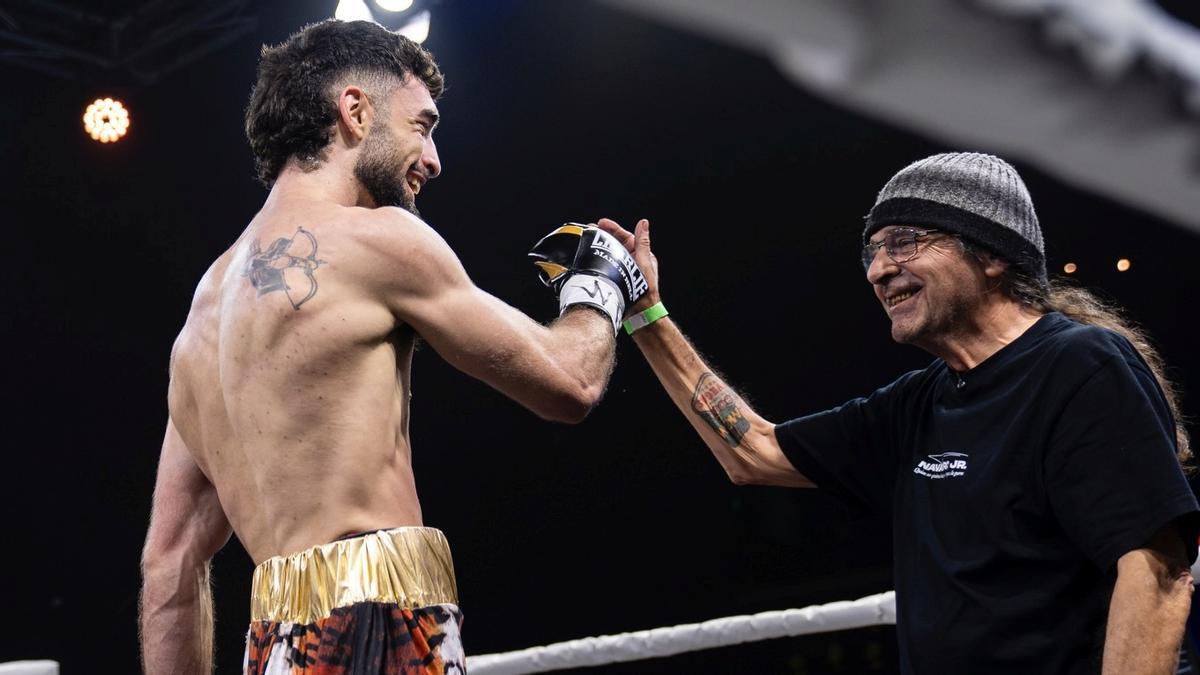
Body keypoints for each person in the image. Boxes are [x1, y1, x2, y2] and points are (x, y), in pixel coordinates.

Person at [139, 19, 645, 675]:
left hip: (273, 644)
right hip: (373, 612)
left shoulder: (200, 326)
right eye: (422, 125)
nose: (434, 159)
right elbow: (569, 383)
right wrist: (602, 282)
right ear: (354, 111)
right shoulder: (380, 241)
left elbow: (169, 564)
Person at [598, 152, 1199, 674]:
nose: (880, 269)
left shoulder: (1083, 366)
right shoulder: (921, 401)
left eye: (905, 241)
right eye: (873, 251)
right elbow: (752, 450)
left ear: (992, 253)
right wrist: (646, 313)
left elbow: (1159, 574)